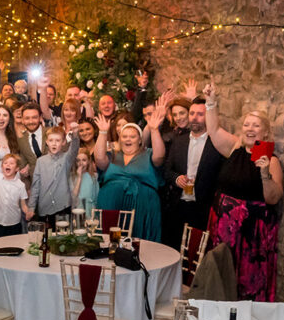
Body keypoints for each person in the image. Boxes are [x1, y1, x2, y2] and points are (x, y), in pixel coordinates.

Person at [205, 94, 284, 301]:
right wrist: (211, 102)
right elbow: (213, 130)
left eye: (256, 125)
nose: (249, 128)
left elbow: (273, 198)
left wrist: (265, 174)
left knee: (246, 282)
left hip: (251, 235)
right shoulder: (235, 148)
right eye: (247, 124)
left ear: (265, 131)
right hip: (223, 228)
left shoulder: (272, 161)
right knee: (220, 275)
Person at [93, 108, 168, 241]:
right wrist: (103, 132)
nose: (128, 139)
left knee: (139, 244)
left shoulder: (148, 154)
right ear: (120, 140)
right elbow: (99, 159)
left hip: (143, 206)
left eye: (133, 136)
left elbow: (160, 156)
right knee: (110, 242)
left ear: (140, 140)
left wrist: (154, 129)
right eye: (124, 136)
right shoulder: (113, 155)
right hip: (112, 205)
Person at [161, 88, 223, 248]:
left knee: (197, 253)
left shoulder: (216, 143)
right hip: (178, 206)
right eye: (192, 113)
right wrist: (176, 178)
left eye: (200, 114)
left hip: (203, 208)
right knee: (173, 250)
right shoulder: (179, 141)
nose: (194, 118)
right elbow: (167, 170)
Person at [28, 126, 80, 222]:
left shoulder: (66, 158)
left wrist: (75, 134)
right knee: (47, 235)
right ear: (47, 142)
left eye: (57, 140)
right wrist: (31, 207)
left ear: (63, 142)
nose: (54, 143)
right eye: (51, 140)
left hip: (63, 206)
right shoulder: (40, 161)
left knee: (63, 236)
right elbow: (36, 186)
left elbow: (74, 149)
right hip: (45, 208)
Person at [15, 102, 47, 180]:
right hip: (35, 186)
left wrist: (30, 166)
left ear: (40, 117)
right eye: (27, 118)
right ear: (22, 120)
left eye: (34, 117)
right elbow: (23, 168)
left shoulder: (51, 133)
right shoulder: (20, 140)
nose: (31, 121)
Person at [71, 148, 99, 216]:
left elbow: (96, 198)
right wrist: (79, 177)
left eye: (84, 160)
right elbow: (73, 197)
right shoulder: (71, 177)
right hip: (77, 212)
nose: (81, 163)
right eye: (78, 160)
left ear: (88, 161)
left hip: (90, 212)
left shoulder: (94, 176)